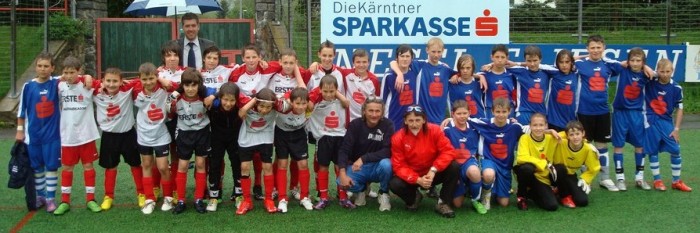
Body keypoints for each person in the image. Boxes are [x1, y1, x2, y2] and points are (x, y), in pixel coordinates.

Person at [229, 44, 280, 199]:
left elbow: (285, 63)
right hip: (245, 115)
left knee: (261, 158)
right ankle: (241, 191)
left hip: (265, 114)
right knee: (244, 159)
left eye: (254, 57)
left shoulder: (267, 68)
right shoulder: (236, 74)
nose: (251, 61)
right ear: (243, 58)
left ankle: (258, 187)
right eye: (248, 57)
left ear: (260, 57)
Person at [389, 104, 459, 218]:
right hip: (413, 176)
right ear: (405, 121)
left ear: (424, 120)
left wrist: (433, 170)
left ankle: (443, 203)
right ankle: (415, 197)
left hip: (432, 173)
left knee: (454, 166)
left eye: (418, 120)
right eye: (410, 120)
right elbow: (399, 166)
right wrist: (417, 179)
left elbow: (448, 151)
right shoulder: (398, 137)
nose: (414, 124)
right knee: (394, 183)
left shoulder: (435, 130)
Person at [52, 57, 101, 215]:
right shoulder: (59, 85)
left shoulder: (88, 84)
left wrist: (88, 78)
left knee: (88, 166)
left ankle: (91, 199)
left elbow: (105, 84)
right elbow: (42, 79)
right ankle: (65, 201)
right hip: (68, 136)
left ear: (79, 71)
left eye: (72, 72)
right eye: (66, 72)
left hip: (87, 135)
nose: (68, 75)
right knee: (67, 167)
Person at [16, 52, 61, 213]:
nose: (42, 69)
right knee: (37, 168)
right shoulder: (28, 86)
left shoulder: (57, 83)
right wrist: (20, 131)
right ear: (36, 67)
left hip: (52, 135)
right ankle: (40, 196)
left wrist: (88, 78)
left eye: (46, 66)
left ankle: (50, 199)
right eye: (40, 66)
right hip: (32, 136)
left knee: (51, 167)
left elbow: (76, 77)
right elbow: (22, 111)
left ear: (52, 68)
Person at [93, 68, 144, 210]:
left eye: (115, 81)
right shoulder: (95, 90)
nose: (111, 84)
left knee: (135, 164)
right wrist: (92, 80)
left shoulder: (127, 88)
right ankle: (108, 196)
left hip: (128, 134)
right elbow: (81, 80)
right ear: (103, 81)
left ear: (121, 82)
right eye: (108, 81)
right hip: (109, 136)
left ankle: (141, 193)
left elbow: (145, 79)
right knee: (110, 166)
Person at [574, 35, 619, 191]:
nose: (595, 50)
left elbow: (629, 65)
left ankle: (604, 178)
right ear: (587, 49)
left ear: (604, 48)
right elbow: (566, 59)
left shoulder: (609, 64)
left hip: (603, 111)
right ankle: (586, 178)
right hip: (583, 111)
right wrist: (587, 56)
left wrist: (646, 67)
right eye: (592, 47)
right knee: (584, 145)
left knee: (602, 145)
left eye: (598, 47)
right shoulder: (579, 64)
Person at [133, 62, 178, 214]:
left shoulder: (164, 88)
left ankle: (168, 197)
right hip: (143, 135)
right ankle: (149, 199)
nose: (148, 82)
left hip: (161, 135)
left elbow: (179, 87)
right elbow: (117, 84)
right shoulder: (136, 90)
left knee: (163, 167)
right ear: (139, 79)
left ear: (157, 77)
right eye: (144, 79)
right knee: (146, 165)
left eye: (152, 78)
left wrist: (163, 81)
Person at [607, 47, 653, 191]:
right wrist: (622, 63)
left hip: (636, 113)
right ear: (628, 61)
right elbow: (607, 62)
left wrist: (646, 67)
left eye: (638, 61)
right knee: (618, 145)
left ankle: (639, 177)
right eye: (632, 60)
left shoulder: (647, 75)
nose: (634, 63)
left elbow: (662, 74)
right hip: (620, 113)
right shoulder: (622, 70)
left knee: (640, 145)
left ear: (643, 62)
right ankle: (620, 179)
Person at [337, 97, 394, 211]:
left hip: (378, 166)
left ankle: (383, 193)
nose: (374, 114)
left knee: (387, 165)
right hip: (358, 168)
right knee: (340, 181)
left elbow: (388, 150)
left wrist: (363, 158)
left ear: (382, 112)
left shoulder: (388, 125)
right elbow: (344, 149)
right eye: (370, 111)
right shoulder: (355, 124)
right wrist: (342, 173)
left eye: (377, 111)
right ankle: (362, 189)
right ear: (364, 111)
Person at [170, 68, 214, 214]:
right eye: (187, 85)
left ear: (198, 85)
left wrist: (212, 97)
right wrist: (171, 101)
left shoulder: (204, 97)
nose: (190, 89)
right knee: (182, 165)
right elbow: (168, 112)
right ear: (182, 85)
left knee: (201, 164)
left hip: (202, 132)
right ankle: (181, 200)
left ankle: (198, 199)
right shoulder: (176, 97)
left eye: (193, 85)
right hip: (184, 133)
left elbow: (218, 92)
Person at [644, 59, 692, 192]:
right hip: (651, 120)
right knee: (653, 150)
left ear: (672, 72)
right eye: (662, 71)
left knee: (675, 149)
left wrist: (676, 129)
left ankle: (676, 181)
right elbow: (640, 66)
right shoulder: (650, 81)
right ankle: (657, 180)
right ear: (657, 71)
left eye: (668, 71)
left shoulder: (676, 88)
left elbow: (680, 109)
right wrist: (652, 72)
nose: (665, 74)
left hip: (666, 121)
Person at [469, 97, 524, 210]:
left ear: (509, 112)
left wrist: (549, 130)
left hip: (505, 165)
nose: (501, 115)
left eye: (504, 112)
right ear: (492, 111)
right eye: (498, 112)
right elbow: (466, 118)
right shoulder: (485, 123)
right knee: (489, 174)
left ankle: (494, 188)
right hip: (489, 160)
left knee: (503, 203)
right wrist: (449, 119)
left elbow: (532, 130)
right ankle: (485, 194)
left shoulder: (515, 127)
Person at [235, 88, 283, 215]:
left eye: (268, 107)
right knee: (245, 167)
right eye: (261, 106)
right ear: (256, 103)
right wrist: (255, 99)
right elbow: (241, 113)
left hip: (265, 138)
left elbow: (286, 104)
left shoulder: (275, 107)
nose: (264, 110)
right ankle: (247, 201)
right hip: (247, 138)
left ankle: (268, 200)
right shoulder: (250, 105)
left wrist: (274, 101)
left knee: (267, 167)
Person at [308, 75, 351, 210]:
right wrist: (318, 92)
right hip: (323, 139)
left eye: (332, 91)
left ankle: (343, 197)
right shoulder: (316, 103)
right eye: (325, 91)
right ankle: (323, 197)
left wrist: (336, 93)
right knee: (323, 167)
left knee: (340, 167)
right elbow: (308, 107)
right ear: (320, 90)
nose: (328, 94)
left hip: (340, 137)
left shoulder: (341, 101)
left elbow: (346, 102)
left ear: (337, 90)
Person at [389, 37, 456, 124]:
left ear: (443, 51)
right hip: (422, 119)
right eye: (433, 51)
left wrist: (478, 76)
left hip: (441, 119)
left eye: (439, 52)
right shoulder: (419, 65)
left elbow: (464, 75)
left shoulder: (446, 69)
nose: (436, 55)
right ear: (427, 50)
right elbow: (393, 62)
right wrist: (399, 74)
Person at [273, 87, 313, 212]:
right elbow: (270, 100)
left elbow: (317, 92)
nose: (301, 107)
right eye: (297, 103)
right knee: (282, 164)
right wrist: (285, 96)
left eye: (303, 103)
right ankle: (282, 198)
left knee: (303, 163)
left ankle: (305, 197)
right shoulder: (282, 108)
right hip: (282, 135)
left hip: (299, 135)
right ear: (291, 102)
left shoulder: (309, 107)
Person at [443, 100, 486, 214]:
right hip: (454, 165)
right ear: (453, 114)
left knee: (474, 172)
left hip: (468, 161)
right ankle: (465, 187)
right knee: (457, 204)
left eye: (464, 113)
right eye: (459, 114)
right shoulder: (447, 129)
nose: (462, 116)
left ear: (469, 113)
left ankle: (475, 200)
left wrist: (510, 120)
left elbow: (493, 122)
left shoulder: (474, 126)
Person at [206, 83, 244, 211]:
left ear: (237, 99)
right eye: (225, 100)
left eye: (232, 100)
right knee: (215, 165)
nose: (228, 103)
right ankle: (214, 197)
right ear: (220, 98)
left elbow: (256, 97)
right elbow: (202, 89)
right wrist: (214, 96)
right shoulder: (213, 105)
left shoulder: (240, 105)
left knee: (237, 164)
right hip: (216, 139)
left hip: (235, 138)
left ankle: (239, 195)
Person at [513, 113, 561, 211]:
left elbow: (571, 134)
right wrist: (543, 163)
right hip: (528, 173)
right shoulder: (525, 138)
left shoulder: (552, 137)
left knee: (552, 206)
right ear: (530, 126)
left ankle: (531, 193)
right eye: (535, 125)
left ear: (546, 126)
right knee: (526, 168)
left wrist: (586, 143)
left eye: (541, 125)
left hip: (542, 178)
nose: (538, 128)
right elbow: (521, 158)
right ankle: (521, 196)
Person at [552, 120, 601, 208]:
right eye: (571, 134)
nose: (575, 137)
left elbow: (594, 168)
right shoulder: (560, 142)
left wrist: (585, 179)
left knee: (582, 201)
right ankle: (562, 195)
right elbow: (546, 136)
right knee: (560, 168)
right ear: (567, 136)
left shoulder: (588, 149)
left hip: (569, 175)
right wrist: (550, 131)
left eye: (577, 134)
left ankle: (558, 190)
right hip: (554, 173)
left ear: (583, 133)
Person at [506, 45, 558, 125]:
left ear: (540, 59)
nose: (532, 64)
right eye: (529, 61)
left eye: (535, 60)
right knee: (522, 137)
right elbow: (500, 64)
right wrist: (490, 65)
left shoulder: (546, 71)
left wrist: (518, 63)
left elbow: (560, 69)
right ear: (525, 60)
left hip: (541, 113)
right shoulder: (520, 71)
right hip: (524, 112)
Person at [381, 44, 420, 131]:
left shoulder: (415, 72)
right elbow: (382, 100)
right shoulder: (389, 76)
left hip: (411, 119)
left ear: (411, 59)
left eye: (407, 56)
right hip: (393, 118)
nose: (405, 59)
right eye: (402, 56)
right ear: (397, 58)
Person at [544, 49, 578, 132]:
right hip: (553, 120)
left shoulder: (577, 74)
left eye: (567, 62)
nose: (564, 65)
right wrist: (517, 64)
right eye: (561, 62)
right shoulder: (553, 73)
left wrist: (587, 55)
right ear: (557, 63)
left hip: (571, 121)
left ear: (571, 63)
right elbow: (535, 65)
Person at [482, 44, 516, 118]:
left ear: (507, 58)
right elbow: (469, 75)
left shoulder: (512, 74)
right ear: (492, 57)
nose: (500, 60)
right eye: (497, 57)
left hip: (508, 111)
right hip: (490, 111)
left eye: (503, 57)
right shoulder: (484, 74)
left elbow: (530, 66)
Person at [448, 54, 486, 119]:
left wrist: (481, 76)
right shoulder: (451, 84)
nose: (465, 71)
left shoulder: (480, 82)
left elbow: (498, 67)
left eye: (468, 68)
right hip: (461, 123)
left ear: (473, 68)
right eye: (462, 68)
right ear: (458, 69)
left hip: (479, 122)